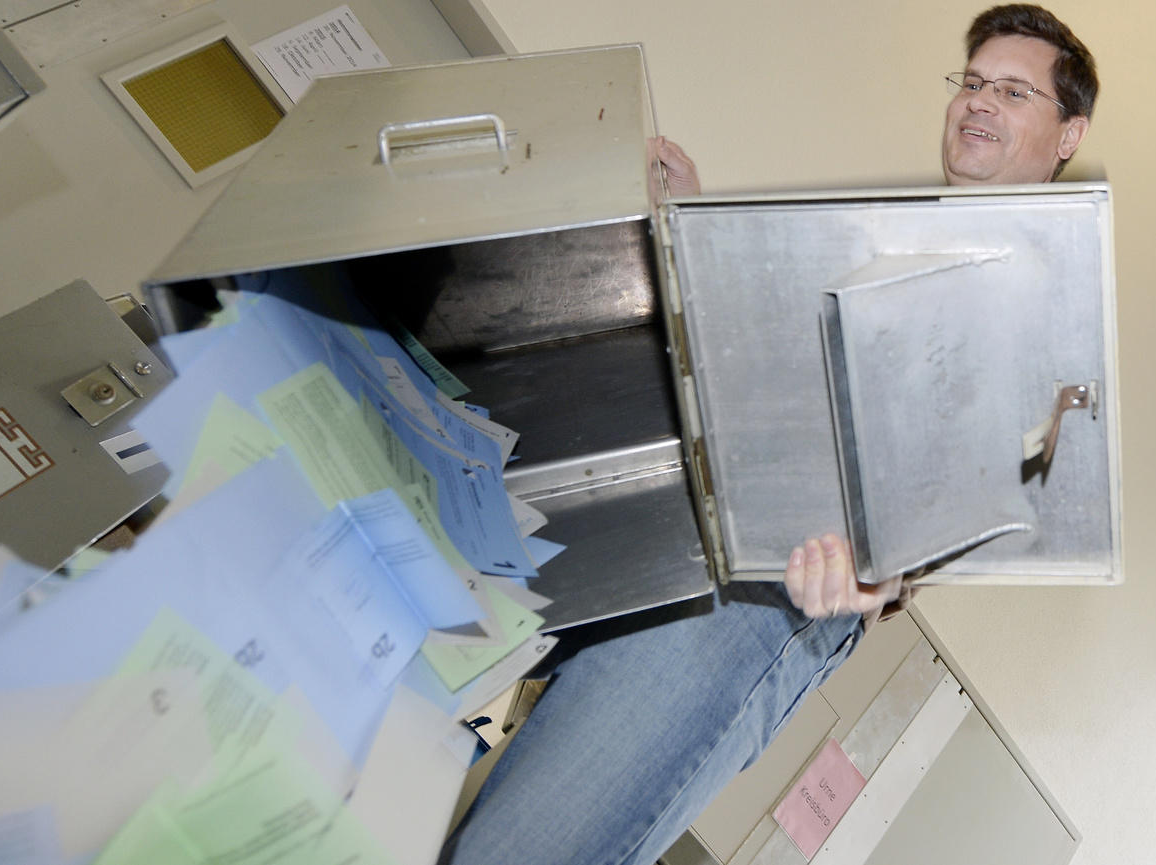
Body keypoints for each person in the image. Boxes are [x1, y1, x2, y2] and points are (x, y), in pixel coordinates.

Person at [442, 6, 1097, 864]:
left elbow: (991, 478)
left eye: (1014, 91)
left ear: (1068, 132)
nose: (979, 103)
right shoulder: (888, 233)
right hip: (652, 523)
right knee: (396, 744)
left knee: (518, 853)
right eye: (972, 82)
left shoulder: (1051, 298)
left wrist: (885, 568)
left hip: (756, 598)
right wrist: (697, 231)